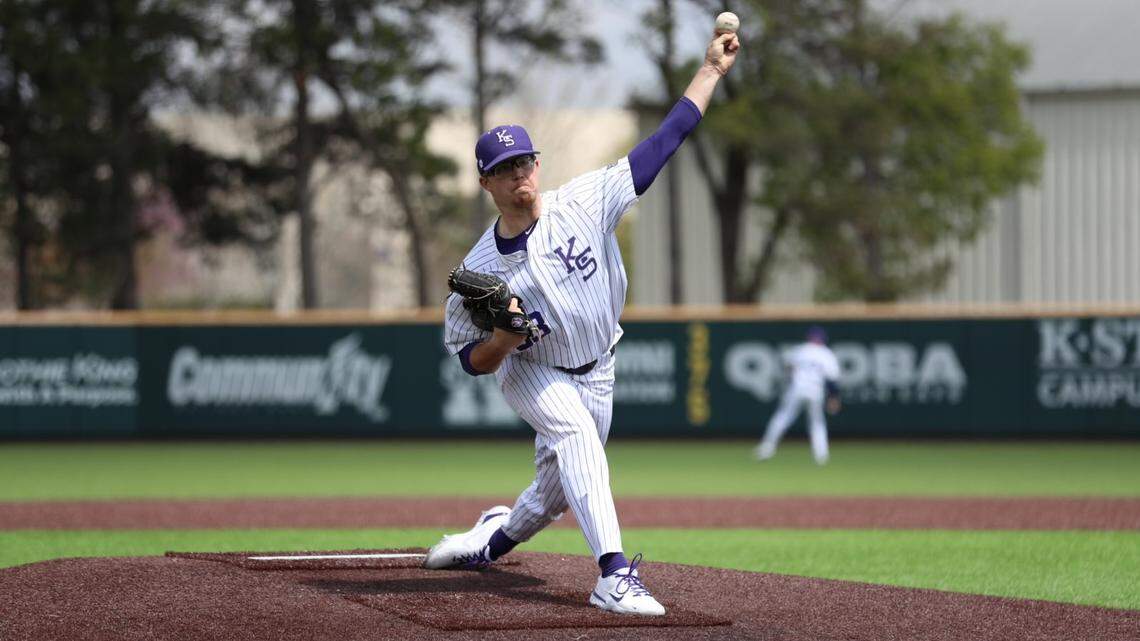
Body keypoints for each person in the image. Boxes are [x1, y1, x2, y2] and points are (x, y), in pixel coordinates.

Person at [425, 30, 740, 616]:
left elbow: (665, 140)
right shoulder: (478, 268)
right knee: (574, 439)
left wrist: (710, 72)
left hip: (600, 367)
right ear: (485, 182)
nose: (517, 172)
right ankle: (614, 575)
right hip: (532, 371)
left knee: (550, 498)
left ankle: (489, 541)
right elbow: (467, 359)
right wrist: (501, 340)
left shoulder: (586, 201)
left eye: (523, 160)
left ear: (537, 163)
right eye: (503, 167)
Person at [754, 326, 842, 465]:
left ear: (809, 338)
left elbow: (787, 366)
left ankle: (767, 448)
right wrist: (833, 397)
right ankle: (821, 456)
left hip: (797, 388)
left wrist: (793, 375)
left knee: (783, 417)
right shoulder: (826, 353)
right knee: (817, 423)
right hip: (815, 391)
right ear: (822, 340)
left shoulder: (801, 350)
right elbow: (832, 379)